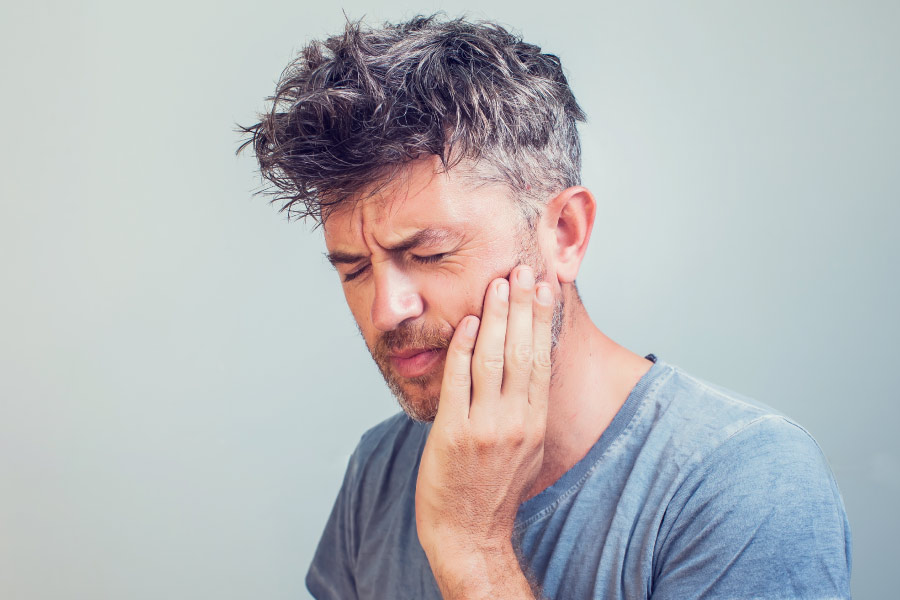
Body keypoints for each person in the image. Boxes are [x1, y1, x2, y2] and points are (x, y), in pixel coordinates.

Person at [239, 14, 851, 600]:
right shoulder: (381, 464)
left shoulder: (745, 481)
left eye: (427, 254)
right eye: (355, 269)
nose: (386, 311)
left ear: (563, 233)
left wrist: (472, 550)